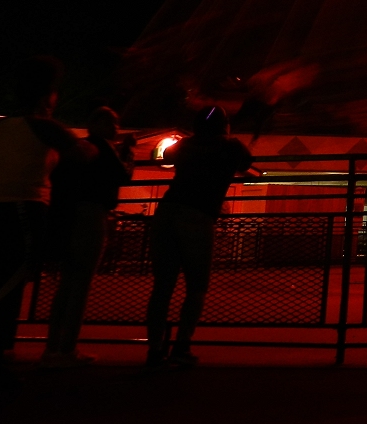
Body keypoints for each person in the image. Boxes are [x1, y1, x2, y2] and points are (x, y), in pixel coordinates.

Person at [0, 57, 96, 374]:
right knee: (12, 278)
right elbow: (87, 155)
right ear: (47, 96)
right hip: (21, 208)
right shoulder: (45, 127)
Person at [144, 105, 252, 368]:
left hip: (167, 211)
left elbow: (163, 156)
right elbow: (247, 164)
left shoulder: (184, 146)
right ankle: (182, 346)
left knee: (163, 286)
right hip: (198, 215)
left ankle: (155, 349)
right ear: (224, 126)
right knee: (197, 286)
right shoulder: (231, 146)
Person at [39, 106, 134, 367]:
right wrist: (127, 153)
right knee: (81, 283)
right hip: (91, 215)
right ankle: (67, 349)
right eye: (113, 124)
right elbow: (122, 176)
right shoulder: (103, 148)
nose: (116, 129)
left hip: (66, 216)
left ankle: (52, 348)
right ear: (100, 125)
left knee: (66, 284)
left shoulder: (73, 150)